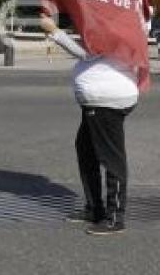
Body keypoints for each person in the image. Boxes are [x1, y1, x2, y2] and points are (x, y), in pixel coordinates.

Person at [40, 14, 138, 235]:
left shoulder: (114, 18)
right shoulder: (113, 15)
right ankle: (94, 208)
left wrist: (54, 31)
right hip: (101, 97)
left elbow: (87, 51)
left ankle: (115, 217)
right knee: (86, 150)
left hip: (107, 99)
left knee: (111, 158)